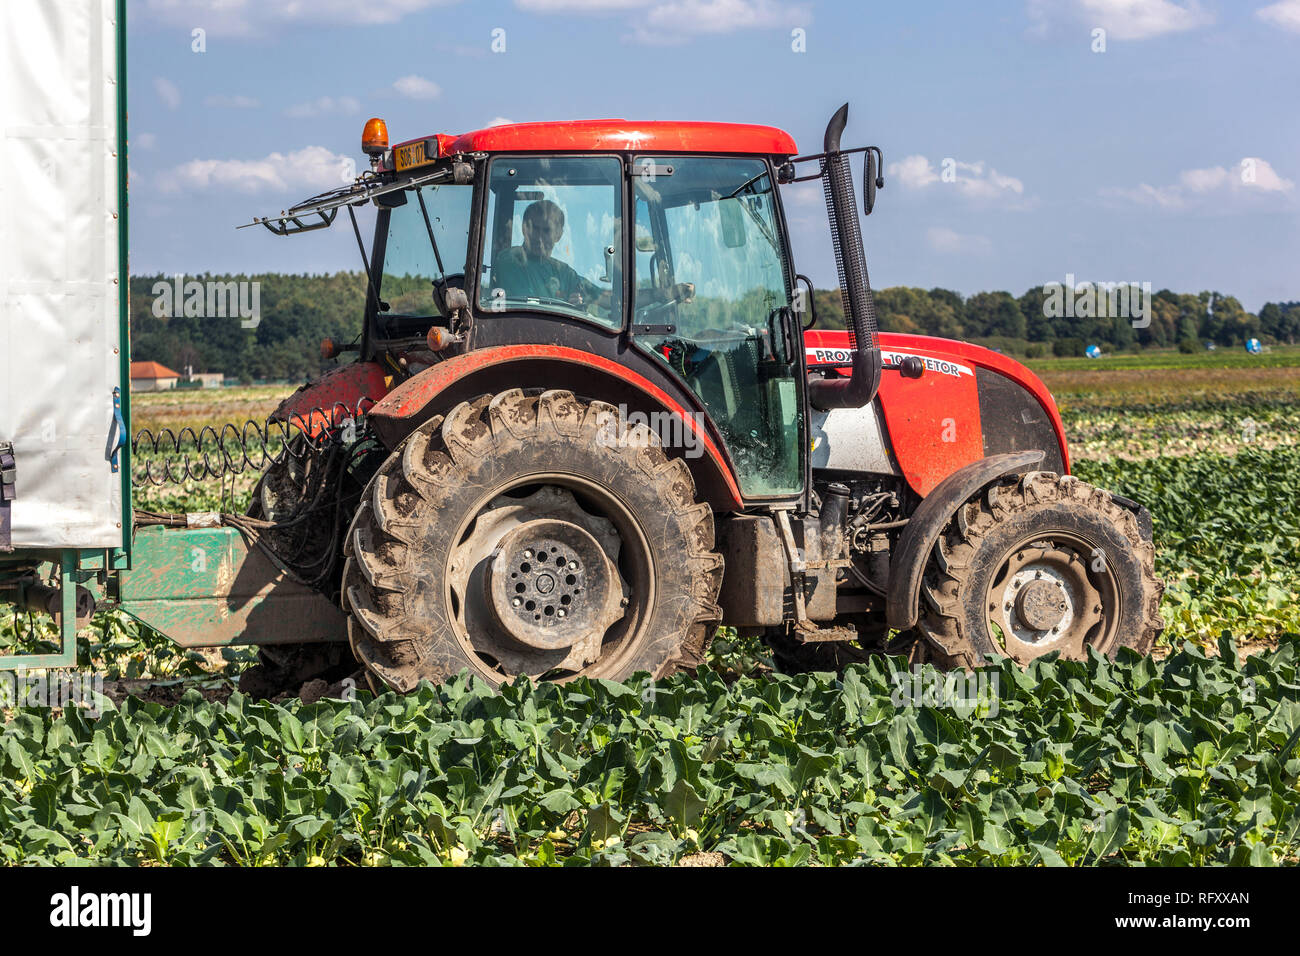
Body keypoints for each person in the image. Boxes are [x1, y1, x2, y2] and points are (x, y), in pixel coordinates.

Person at [491, 199, 693, 314]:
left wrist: (660, 295)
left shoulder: (565, 274)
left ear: (558, 234)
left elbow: (611, 300)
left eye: (546, 230)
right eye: (534, 228)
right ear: (524, 228)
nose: (539, 237)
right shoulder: (508, 261)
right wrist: (564, 308)